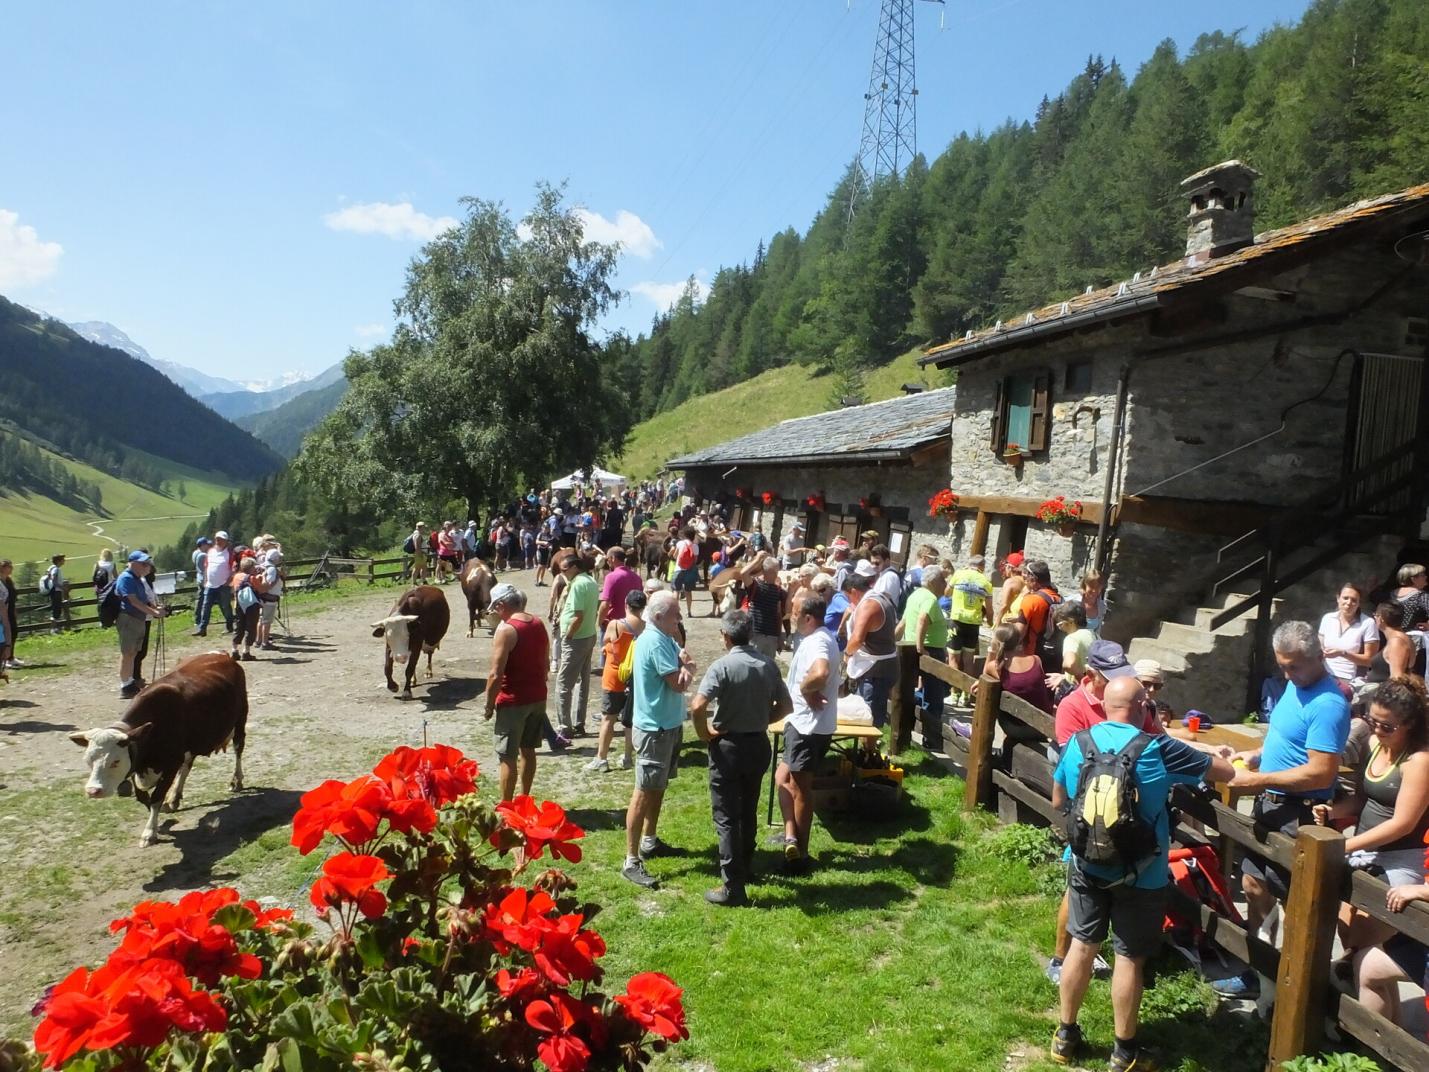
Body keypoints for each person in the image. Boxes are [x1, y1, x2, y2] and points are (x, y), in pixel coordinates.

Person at [1050, 675, 1233, 1069]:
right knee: (1129, 958)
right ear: (1142, 709)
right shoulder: (1158, 748)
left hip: (1087, 865)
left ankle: (1065, 1036)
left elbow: (1059, 798)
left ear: (1104, 707)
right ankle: (1125, 1052)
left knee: (1082, 946)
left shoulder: (1080, 743)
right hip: (1143, 874)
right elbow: (1224, 772)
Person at [1217, 620, 1352, 997]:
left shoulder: (1328, 704)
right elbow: (1287, 740)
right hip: (1271, 804)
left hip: (1299, 814)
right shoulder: (1295, 686)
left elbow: (1320, 772)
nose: (1288, 673)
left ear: (1318, 656)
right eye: (1283, 665)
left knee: (1298, 904)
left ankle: (1294, 985)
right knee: (1254, 886)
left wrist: (1254, 780)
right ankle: (1260, 972)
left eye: (1295, 666)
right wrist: (1256, 757)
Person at [1313, 677, 1429, 949]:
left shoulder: (1419, 761)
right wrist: (1333, 812)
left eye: (1386, 726)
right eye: (1371, 720)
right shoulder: (1373, 743)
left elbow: (1403, 823)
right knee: (1343, 927)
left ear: (1410, 724)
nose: (1377, 729)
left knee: (1362, 936)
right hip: (1361, 849)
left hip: (1398, 857)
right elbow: (1362, 799)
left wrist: (1344, 845)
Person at [690, 608, 793, 906]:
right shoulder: (768, 665)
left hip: (728, 746)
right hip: (758, 744)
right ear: (749, 633)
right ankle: (746, 867)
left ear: (725, 636)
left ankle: (732, 886)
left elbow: (698, 705)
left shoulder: (722, 667)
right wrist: (763, 718)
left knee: (725, 817)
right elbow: (786, 706)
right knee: (748, 809)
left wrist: (704, 733)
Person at [622, 590, 695, 888]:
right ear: (659, 616)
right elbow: (678, 684)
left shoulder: (663, 637)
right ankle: (630, 860)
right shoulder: (655, 641)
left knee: (658, 786)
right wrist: (689, 667)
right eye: (675, 614)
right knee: (644, 791)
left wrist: (681, 655)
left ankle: (649, 841)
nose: (680, 618)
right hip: (655, 729)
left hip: (667, 725)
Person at [778, 595, 840, 872]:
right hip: (802, 723)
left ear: (808, 618)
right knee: (783, 778)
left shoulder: (818, 641)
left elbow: (821, 671)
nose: (790, 616)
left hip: (808, 727)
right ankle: (790, 836)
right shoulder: (817, 638)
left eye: (794, 612)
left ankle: (800, 854)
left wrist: (805, 689)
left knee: (801, 788)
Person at [482, 584, 549, 801]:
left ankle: (506, 805)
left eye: (495, 608)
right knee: (528, 750)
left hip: (513, 700)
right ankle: (525, 798)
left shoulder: (506, 630)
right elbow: (546, 662)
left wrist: (489, 703)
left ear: (502, 605)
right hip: (537, 696)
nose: (495, 613)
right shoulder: (538, 623)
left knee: (507, 756)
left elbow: (495, 673)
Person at [589, 589, 645, 774]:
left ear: (626, 605)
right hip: (635, 677)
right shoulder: (646, 626)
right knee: (630, 720)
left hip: (614, 676)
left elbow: (606, 641)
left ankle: (602, 758)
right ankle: (628, 757)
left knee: (608, 718)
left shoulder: (615, 624)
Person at [895, 564, 949, 751]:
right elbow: (922, 619)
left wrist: (893, 640)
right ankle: (931, 737)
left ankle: (907, 729)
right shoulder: (931, 599)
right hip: (929, 650)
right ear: (934, 581)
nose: (946, 583)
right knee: (935, 694)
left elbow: (903, 621)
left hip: (910, 649)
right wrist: (920, 648)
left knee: (911, 690)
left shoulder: (915, 595)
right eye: (943, 579)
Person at [844, 567, 898, 752]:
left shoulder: (869, 605)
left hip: (876, 667)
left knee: (870, 711)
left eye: (848, 596)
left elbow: (857, 639)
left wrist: (847, 654)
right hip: (880, 664)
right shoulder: (881, 598)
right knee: (868, 707)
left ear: (853, 591)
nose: (849, 602)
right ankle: (866, 749)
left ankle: (869, 752)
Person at [984, 623, 1055, 749]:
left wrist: (991, 651)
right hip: (1042, 725)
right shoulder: (1036, 660)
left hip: (1015, 727)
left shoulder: (996, 667)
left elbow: (984, 676)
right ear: (1018, 641)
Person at [555, 552, 599, 739]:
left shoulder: (578, 585)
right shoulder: (590, 581)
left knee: (563, 684)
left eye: (564, 569)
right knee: (583, 682)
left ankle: (565, 727)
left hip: (576, 638)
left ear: (574, 568)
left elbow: (578, 616)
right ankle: (579, 723)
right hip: (589, 635)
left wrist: (568, 636)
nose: (562, 573)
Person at [115, 551, 166, 698]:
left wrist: (155, 608)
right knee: (127, 653)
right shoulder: (126, 578)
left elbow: (143, 600)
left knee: (133, 653)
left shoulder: (137, 579)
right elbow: (133, 601)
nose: (147, 566)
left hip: (138, 619)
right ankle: (125, 685)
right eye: (144, 564)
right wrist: (154, 612)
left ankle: (129, 682)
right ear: (133, 564)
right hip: (129, 618)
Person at [1319, 582, 1380, 685]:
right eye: (1345, 598)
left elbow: (1370, 661)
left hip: (1346, 678)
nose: (1348, 602)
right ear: (1338, 598)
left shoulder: (1367, 623)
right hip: (1322, 673)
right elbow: (1319, 646)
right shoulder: (1327, 618)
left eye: (1354, 600)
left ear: (1359, 603)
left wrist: (1342, 653)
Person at [948, 555, 994, 683]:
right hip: (973, 624)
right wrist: (991, 623)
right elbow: (989, 610)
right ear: (982, 567)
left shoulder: (959, 574)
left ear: (969, 564)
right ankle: (966, 694)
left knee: (953, 658)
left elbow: (947, 592)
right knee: (968, 660)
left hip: (957, 620)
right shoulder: (986, 583)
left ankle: (954, 692)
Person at [738, 552, 787, 659]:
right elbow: (743, 573)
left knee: (767, 667)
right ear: (765, 571)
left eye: (776, 571)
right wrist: (757, 559)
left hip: (771, 636)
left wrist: (779, 636)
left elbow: (778, 615)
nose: (776, 574)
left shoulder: (778, 590)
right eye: (774, 571)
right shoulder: (755, 585)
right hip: (755, 634)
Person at [1015, 559, 1062, 671]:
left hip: (1032, 654)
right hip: (1055, 653)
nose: (1025, 578)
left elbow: (1019, 632)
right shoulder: (1058, 598)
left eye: (1027, 575)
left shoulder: (1031, 600)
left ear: (1034, 579)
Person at [1048, 602, 1096, 700]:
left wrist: (1080, 679)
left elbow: (1069, 665)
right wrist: (1064, 676)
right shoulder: (1093, 634)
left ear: (1071, 621)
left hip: (1077, 690)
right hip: (1092, 687)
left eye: (1060, 624)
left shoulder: (1071, 638)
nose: (1059, 627)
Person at [194, 532, 236, 637]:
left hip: (223, 584)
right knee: (205, 606)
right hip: (210, 584)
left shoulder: (230, 553)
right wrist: (205, 580)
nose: (218, 541)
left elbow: (233, 569)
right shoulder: (210, 551)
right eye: (217, 539)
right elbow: (206, 566)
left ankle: (229, 626)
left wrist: (229, 581)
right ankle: (202, 628)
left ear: (226, 541)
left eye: (221, 539)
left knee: (225, 606)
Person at [597, 547, 641, 642]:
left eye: (607, 559)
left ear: (612, 558)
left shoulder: (611, 577)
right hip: (631, 624)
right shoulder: (637, 578)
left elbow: (605, 604)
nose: (607, 562)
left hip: (613, 625)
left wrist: (599, 622)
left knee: (608, 655)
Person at [229, 556, 261, 661]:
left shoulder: (236, 577)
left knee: (239, 626)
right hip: (251, 605)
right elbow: (260, 589)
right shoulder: (251, 578)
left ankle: (234, 650)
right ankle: (246, 651)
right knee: (250, 627)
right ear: (251, 567)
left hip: (238, 604)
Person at [254, 550, 283, 652]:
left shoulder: (263, 566)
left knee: (261, 619)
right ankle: (265, 642)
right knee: (267, 621)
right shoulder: (272, 569)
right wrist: (277, 579)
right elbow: (269, 584)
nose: (279, 559)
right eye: (278, 557)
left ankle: (258, 640)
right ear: (275, 558)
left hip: (262, 598)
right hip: (269, 598)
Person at [671, 526, 700, 618]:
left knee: (676, 591)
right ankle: (689, 611)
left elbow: (675, 556)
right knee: (688, 591)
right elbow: (695, 560)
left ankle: (675, 612)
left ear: (685, 534)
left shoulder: (680, 543)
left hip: (679, 569)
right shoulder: (695, 546)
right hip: (690, 571)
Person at [995, 550, 1026, 625]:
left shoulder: (1010, 582)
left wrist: (997, 622)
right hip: (1020, 620)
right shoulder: (1026, 581)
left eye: (1006, 566)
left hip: (1009, 620)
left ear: (1010, 567)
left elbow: (1004, 605)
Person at [43, 554, 68, 633]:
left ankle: (54, 628)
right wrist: (61, 587)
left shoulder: (51, 567)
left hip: (52, 591)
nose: (64, 560)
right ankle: (54, 629)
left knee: (55, 609)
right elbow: (54, 579)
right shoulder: (56, 569)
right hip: (56, 591)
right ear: (58, 561)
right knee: (57, 610)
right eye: (62, 559)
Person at [1078, 570, 1107, 636]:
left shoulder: (1102, 606)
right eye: (1091, 586)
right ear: (1085, 584)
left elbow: (1097, 631)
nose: (1094, 590)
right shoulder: (1075, 601)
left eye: (1098, 587)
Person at [0, 559, 16, 671]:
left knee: (13, 631)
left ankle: (10, 656)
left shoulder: (9, 581)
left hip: (8, 610)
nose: (11, 569)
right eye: (9, 566)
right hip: (2, 610)